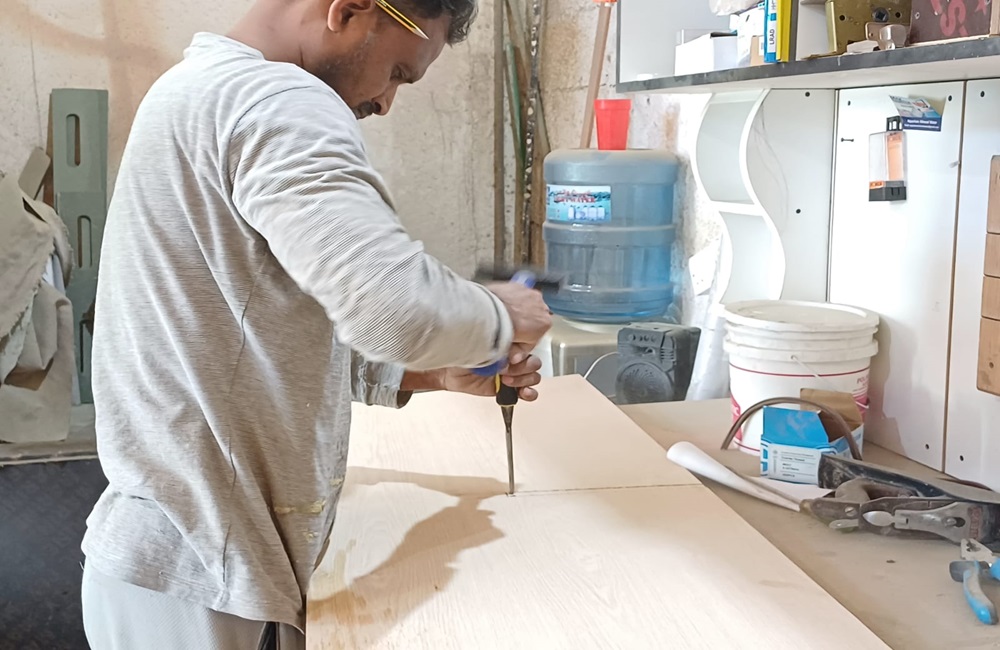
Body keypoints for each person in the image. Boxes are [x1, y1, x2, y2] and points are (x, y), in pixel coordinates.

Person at [79, 0, 552, 648]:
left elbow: (256, 331)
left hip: (177, 564)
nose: (386, 102)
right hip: (204, 575)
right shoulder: (276, 99)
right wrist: (501, 315)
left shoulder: (201, 88)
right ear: (349, 10)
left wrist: (430, 371)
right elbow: (391, 306)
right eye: (398, 72)